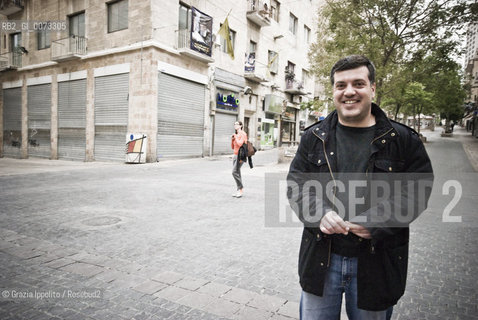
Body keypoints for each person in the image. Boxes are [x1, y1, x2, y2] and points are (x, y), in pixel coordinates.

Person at [287, 55, 434, 319]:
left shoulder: (401, 139)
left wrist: (378, 220)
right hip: (321, 260)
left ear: (373, 88)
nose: (349, 92)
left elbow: (417, 191)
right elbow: (297, 185)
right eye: (341, 85)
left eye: (358, 83)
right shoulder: (313, 137)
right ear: (333, 90)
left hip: (377, 264)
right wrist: (319, 213)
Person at [231, 121, 247, 198]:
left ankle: (240, 188)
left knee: (234, 172)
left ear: (241, 126)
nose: (235, 125)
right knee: (237, 172)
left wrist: (236, 137)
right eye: (234, 124)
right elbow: (233, 147)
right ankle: (239, 190)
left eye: (237, 124)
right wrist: (232, 139)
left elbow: (240, 144)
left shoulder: (243, 134)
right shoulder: (237, 134)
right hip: (235, 155)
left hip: (240, 155)